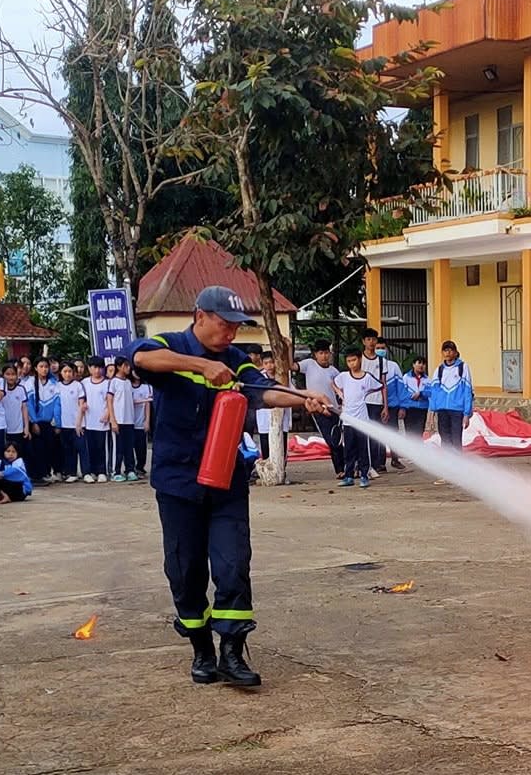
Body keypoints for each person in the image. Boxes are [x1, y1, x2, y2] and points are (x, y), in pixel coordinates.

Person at [129, 285, 331, 687]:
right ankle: (201, 649)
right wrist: (200, 366)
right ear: (200, 315)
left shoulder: (237, 362)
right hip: (178, 481)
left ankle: (232, 652)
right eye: (225, 325)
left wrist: (303, 398)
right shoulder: (171, 346)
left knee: (233, 563)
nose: (231, 335)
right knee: (185, 569)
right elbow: (138, 357)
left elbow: (265, 391)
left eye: (236, 328)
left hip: (226, 481)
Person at [332, 351, 381, 488]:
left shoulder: (367, 377)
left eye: (354, 360)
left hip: (362, 420)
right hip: (348, 420)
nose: (352, 364)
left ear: (359, 360)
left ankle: (364, 475)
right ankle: (349, 476)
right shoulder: (344, 376)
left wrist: (366, 393)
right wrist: (340, 394)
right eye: (349, 361)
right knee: (348, 450)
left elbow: (379, 386)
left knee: (363, 449)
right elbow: (333, 383)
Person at [297, 341, 345, 476]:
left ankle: (344, 469)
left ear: (330, 354)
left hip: (334, 409)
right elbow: (291, 366)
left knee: (338, 439)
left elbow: (341, 390)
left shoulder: (334, 371)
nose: (324, 356)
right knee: (331, 441)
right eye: (321, 353)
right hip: (317, 408)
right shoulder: (308, 365)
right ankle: (340, 469)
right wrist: (288, 347)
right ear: (315, 355)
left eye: (326, 353)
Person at [359, 329, 401, 472]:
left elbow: (383, 384)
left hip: (377, 402)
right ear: (363, 341)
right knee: (362, 433)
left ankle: (377, 463)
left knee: (376, 433)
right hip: (362, 402)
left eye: (373, 339)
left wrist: (385, 406)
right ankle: (363, 463)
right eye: (368, 339)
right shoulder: (358, 359)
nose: (371, 342)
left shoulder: (382, 362)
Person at [427, 340, 474, 449]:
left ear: (455, 352)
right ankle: (447, 463)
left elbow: (467, 392)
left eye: (450, 350)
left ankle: (457, 464)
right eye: (445, 350)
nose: (448, 353)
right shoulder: (439, 370)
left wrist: (467, 414)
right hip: (442, 409)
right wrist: (432, 412)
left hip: (457, 410)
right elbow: (434, 392)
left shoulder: (463, 368)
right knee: (445, 439)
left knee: (456, 439)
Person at [389, 358, 431, 449]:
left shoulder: (427, 379)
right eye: (419, 362)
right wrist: (407, 400)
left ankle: (418, 452)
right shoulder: (406, 377)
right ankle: (411, 452)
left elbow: (431, 392)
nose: (421, 366)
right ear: (413, 364)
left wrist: (421, 394)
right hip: (410, 408)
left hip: (422, 408)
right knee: (410, 431)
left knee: (419, 431)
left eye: (424, 364)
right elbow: (401, 392)